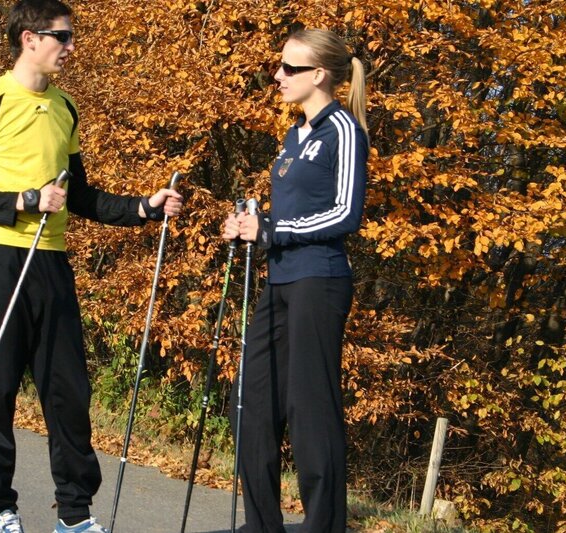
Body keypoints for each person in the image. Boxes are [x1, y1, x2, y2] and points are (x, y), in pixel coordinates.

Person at [0, 1, 183, 532]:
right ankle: (1, 510)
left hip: (51, 262)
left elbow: (81, 196)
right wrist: (23, 199)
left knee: (69, 392)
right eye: (62, 37)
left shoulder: (66, 107)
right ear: (30, 38)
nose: (71, 46)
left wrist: (142, 207)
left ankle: (74, 516)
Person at [222, 28, 368, 533]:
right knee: (251, 401)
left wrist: (274, 229)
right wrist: (249, 225)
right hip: (280, 280)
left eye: (289, 68)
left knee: (310, 409)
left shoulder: (343, 130)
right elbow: (282, 218)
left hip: (319, 281)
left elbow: (346, 214)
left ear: (319, 75)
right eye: (278, 67)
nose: (277, 76)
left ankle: (323, 526)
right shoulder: (293, 135)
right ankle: (263, 525)